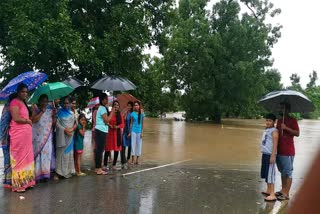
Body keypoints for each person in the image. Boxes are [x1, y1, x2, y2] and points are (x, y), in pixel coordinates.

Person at [9, 83, 35, 192]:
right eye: (22, 91)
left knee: (27, 156)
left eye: (26, 92)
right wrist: (27, 121)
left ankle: (27, 181)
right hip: (18, 134)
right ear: (18, 92)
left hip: (26, 135)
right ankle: (19, 185)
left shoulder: (23, 103)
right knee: (19, 157)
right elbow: (16, 118)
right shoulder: (14, 102)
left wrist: (32, 111)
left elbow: (27, 116)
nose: (24, 93)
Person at [275, 103, 299, 200]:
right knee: (282, 171)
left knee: (288, 172)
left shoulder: (293, 120)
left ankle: (286, 193)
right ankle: (283, 189)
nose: (282, 110)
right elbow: (276, 134)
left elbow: (297, 133)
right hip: (279, 150)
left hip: (288, 151)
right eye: (281, 108)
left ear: (288, 110)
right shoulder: (280, 121)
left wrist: (286, 128)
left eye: (284, 108)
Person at [31, 94, 54, 182]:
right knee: (38, 154)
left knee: (46, 154)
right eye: (43, 101)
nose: (45, 103)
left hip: (47, 136)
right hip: (37, 136)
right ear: (39, 101)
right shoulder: (35, 108)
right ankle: (37, 174)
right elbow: (34, 120)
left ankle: (45, 174)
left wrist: (54, 115)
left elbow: (52, 122)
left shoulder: (50, 110)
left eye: (46, 101)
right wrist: (42, 111)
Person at [55, 97, 77, 179]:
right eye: (64, 103)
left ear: (71, 104)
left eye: (67, 103)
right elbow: (57, 124)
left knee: (68, 153)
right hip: (62, 136)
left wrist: (71, 130)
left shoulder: (72, 113)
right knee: (60, 153)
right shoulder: (59, 112)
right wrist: (64, 130)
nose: (66, 105)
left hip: (70, 136)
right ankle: (59, 172)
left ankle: (67, 172)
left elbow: (75, 123)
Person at [260, 113, 279, 202]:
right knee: (266, 173)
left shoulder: (274, 131)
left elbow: (275, 144)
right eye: (267, 120)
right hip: (265, 154)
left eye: (270, 120)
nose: (268, 122)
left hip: (270, 155)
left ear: (274, 122)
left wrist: (272, 156)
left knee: (270, 174)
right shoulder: (267, 129)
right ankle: (268, 190)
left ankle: (272, 194)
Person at [0, 93, 17, 188]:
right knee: (9, 158)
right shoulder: (10, 107)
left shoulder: (6, 107)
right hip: (7, 136)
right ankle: (9, 181)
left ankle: (7, 180)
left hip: (3, 137)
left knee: (7, 158)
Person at [94, 93, 113, 175]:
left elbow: (105, 122)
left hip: (101, 130)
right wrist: (112, 112)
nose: (107, 100)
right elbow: (106, 120)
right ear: (102, 100)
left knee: (99, 150)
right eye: (106, 99)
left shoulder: (103, 108)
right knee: (100, 150)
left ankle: (98, 168)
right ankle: (98, 169)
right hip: (101, 130)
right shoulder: (102, 108)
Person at [105, 101, 125, 170]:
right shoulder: (109, 113)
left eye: (117, 105)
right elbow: (106, 121)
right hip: (110, 133)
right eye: (115, 105)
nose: (116, 106)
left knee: (116, 149)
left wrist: (117, 126)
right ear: (113, 106)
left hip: (117, 134)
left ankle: (114, 165)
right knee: (107, 149)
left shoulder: (120, 115)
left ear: (119, 107)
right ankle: (104, 165)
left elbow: (122, 124)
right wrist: (109, 125)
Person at [129, 101, 144, 165]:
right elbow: (131, 123)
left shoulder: (142, 113)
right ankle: (132, 160)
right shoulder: (132, 113)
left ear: (139, 106)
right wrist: (130, 132)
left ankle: (137, 160)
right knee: (133, 145)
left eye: (137, 105)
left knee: (139, 145)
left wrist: (142, 132)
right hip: (133, 131)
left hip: (139, 131)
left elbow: (142, 124)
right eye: (135, 105)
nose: (136, 106)